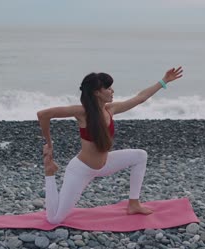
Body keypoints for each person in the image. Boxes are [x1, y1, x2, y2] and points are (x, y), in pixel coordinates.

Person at [37, 66, 183, 224]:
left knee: (140, 155)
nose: (112, 91)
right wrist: (49, 143)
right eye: (108, 88)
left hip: (105, 164)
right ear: (97, 92)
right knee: (54, 219)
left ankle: (134, 204)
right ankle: (49, 172)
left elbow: (140, 98)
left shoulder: (110, 110)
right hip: (81, 170)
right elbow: (44, 114)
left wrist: (164, 81)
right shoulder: (82, 112)